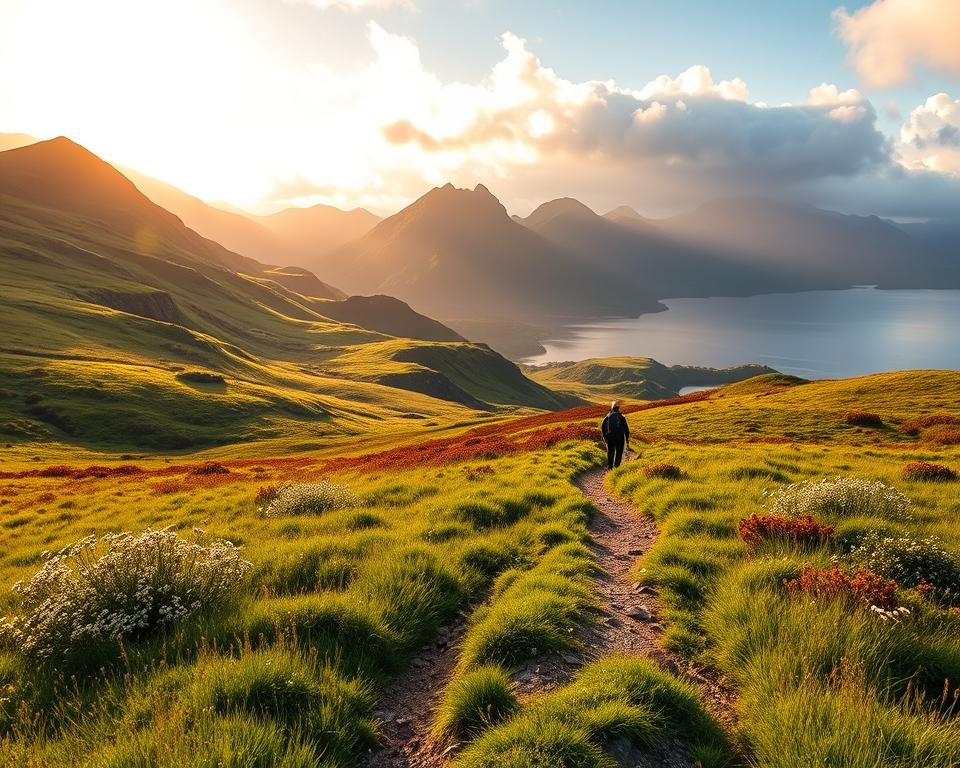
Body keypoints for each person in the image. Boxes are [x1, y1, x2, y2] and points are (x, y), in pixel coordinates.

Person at [601, 401, 629, 469]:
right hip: (620, 437)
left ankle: (610, 467)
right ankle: (616, 466)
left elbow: (603, 428)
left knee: (611, 452)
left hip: (610, 437)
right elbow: (626, 429)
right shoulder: (622, 417)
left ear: (612, 408)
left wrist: (605, 438)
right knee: (619, 452)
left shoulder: (607, 417)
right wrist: (627, 439)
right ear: (618, 408)